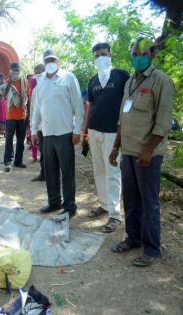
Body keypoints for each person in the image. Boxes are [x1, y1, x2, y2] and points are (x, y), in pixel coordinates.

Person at [109, 37, 175, 266]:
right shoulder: (129, 82)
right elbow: (122, 118)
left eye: (142, 53)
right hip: (127, 152)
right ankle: (133, 238)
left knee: (149, 203)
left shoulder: (161, 81)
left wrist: (147, 152)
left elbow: (164, 122)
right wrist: (116, 147)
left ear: (152, 55)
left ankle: (152, 249)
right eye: (134, 54)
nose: (138, 57)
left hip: (148, 155)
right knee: (131, 200)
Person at [83, 43, 130, 232]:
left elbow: (129, 100)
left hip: (113, 132)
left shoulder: (121, 75)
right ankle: (103, 205)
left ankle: (115, 214)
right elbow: (90, 107)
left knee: (113, 172)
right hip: (94, 131)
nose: (100, 57)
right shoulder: (92, 81)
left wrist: (125, 127)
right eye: (97, 55)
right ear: (94, 59)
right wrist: (85, 131)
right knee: (99, 170)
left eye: (104, 54)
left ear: (111, 54)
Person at [31, 50, 84, 218]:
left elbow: (79, 107)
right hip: (46, 134)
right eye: (47, 60)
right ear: (44, 62)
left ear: (58, 60)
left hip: (65, 133)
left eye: (53, 59)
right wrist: (33, 130)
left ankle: (70, 206)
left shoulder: (68, 78)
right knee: (50, 170)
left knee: (67, 171)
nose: (50, 62)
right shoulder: (41, 83)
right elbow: (37, 109)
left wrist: (77, 131)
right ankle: (54, 202)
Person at [0, 62, 28, 172]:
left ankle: (18, 161)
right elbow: (3, 95)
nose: (15, 71)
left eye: (17, 69)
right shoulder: (7, 81)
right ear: (10, 70)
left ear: (19, 70)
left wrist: (27, 113)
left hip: (22, 115)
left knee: (21, 140)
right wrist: (9, 83)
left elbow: (26, 97)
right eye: (13, 69)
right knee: (9, 140)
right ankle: (7, 162)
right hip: (10, 116)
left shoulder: (25, 82)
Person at [29, 64, 46, 181]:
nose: (38, 73)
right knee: (43, 152)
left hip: (52, 126)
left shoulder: (54, 86)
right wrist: (32, 126)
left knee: (51, 153)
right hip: (39, 127)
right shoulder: (35, 90)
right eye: (36, 71)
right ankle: (43, 174)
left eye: (40, 71)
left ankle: (52, 175)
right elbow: (33, 109)